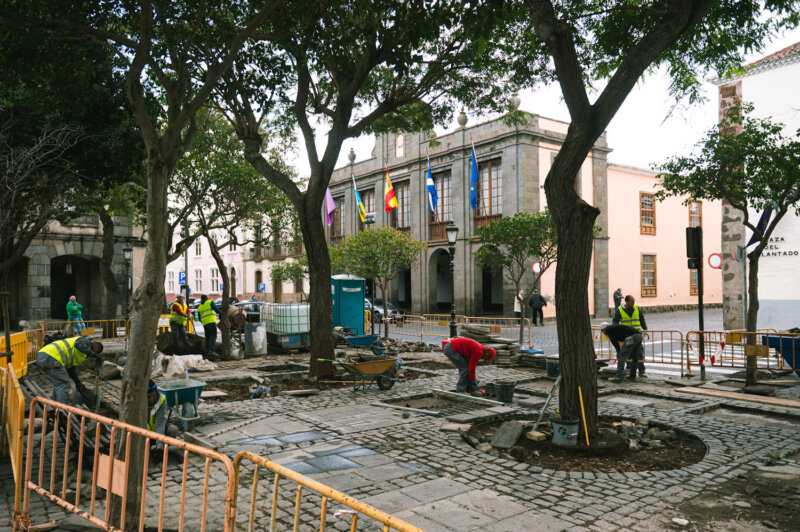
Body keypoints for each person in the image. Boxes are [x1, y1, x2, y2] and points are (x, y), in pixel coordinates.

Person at [36, 336, 104, 405]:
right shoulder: (85, 342)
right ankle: (62, 411)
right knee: (63, 384)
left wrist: (78, 383)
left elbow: (71, 369)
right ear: (96, 349)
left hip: (44, 356)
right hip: (51, 357)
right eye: (96, 353)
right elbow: (78, 345)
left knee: (59, 384)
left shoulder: (78, 352)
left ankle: (54, 407)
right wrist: (94, 356)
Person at [612, 295, 648, 378]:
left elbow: (642, 319)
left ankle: (641, 371)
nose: (633, 303)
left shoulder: (637, 308)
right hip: (626, 335)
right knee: (628, 354)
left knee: (639, 353)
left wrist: (645, 329)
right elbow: (615, 322)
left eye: (634, 301)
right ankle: (629, 370)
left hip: (637, 335)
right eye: (632, 301)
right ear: (627, 302)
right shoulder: (620, 310)